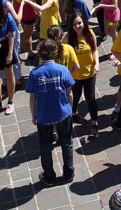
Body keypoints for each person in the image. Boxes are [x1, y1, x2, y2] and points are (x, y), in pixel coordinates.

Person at [26, 38, 76, 184]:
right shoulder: (62, 70)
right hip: (63, 113)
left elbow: (32, 98)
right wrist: (70, 109)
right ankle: (69, 174)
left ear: (40, 54)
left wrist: (33, 115)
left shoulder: (35, 74)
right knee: (67, 143)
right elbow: (70, 92)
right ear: (55, 53)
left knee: (45, 146)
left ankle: (49, 176)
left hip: (44, 115)